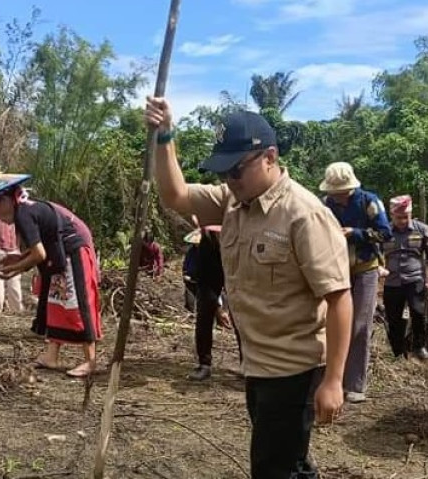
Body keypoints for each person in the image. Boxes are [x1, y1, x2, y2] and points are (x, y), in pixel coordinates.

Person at [145, 97, 353, 479]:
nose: (229, 180)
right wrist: (164, 135)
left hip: (293, 369)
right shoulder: (233, 202)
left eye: (236, 170)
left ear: (269, 157)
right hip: (257, 364)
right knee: (288, 461)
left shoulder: (302, 215)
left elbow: (339, 298)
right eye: (223, 172)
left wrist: (334, 381)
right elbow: (175, 195)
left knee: (272, 468)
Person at [0, 173, 102, 378]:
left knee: (77, 304)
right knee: (56, 303)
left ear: (4, 200)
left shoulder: (23, 214)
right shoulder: (26, 209)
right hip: (60, 255)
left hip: (73, 252)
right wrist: (19, 259)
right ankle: (51, 355)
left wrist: (16, 268)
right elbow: (40, 247)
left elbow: (40, 254)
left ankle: (90, 360)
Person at [321, 161, 392, 403]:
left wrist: (355, 233)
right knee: (333, 323)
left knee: (360, 325)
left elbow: (385, 233)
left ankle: (355, 383)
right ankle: (333, 378)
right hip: (337, 269)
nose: (339, 197)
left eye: (342, 192)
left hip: (365, 269)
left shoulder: (369, 201)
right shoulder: (325, 204)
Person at [382, 195, 428, 360]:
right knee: (394, 319)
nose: (402, 221)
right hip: (392, 282)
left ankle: (419, 346)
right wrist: (379, 268)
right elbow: (375, 254)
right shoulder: (384, 232)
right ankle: (398, 351)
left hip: (415, 280)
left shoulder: (423, 230)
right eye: (398, 217)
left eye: (405, 217)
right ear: (391, 215)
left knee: (419, 313)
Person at [187, 223, 231, 381]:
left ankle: (248, 364)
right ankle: (204, 364)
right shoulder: (205, 248)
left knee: (244, 319)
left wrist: (226, 307)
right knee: (204, 316)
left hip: (238, 272)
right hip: (208, 281)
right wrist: (218, 308)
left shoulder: (239, 238)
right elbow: (206, 284)